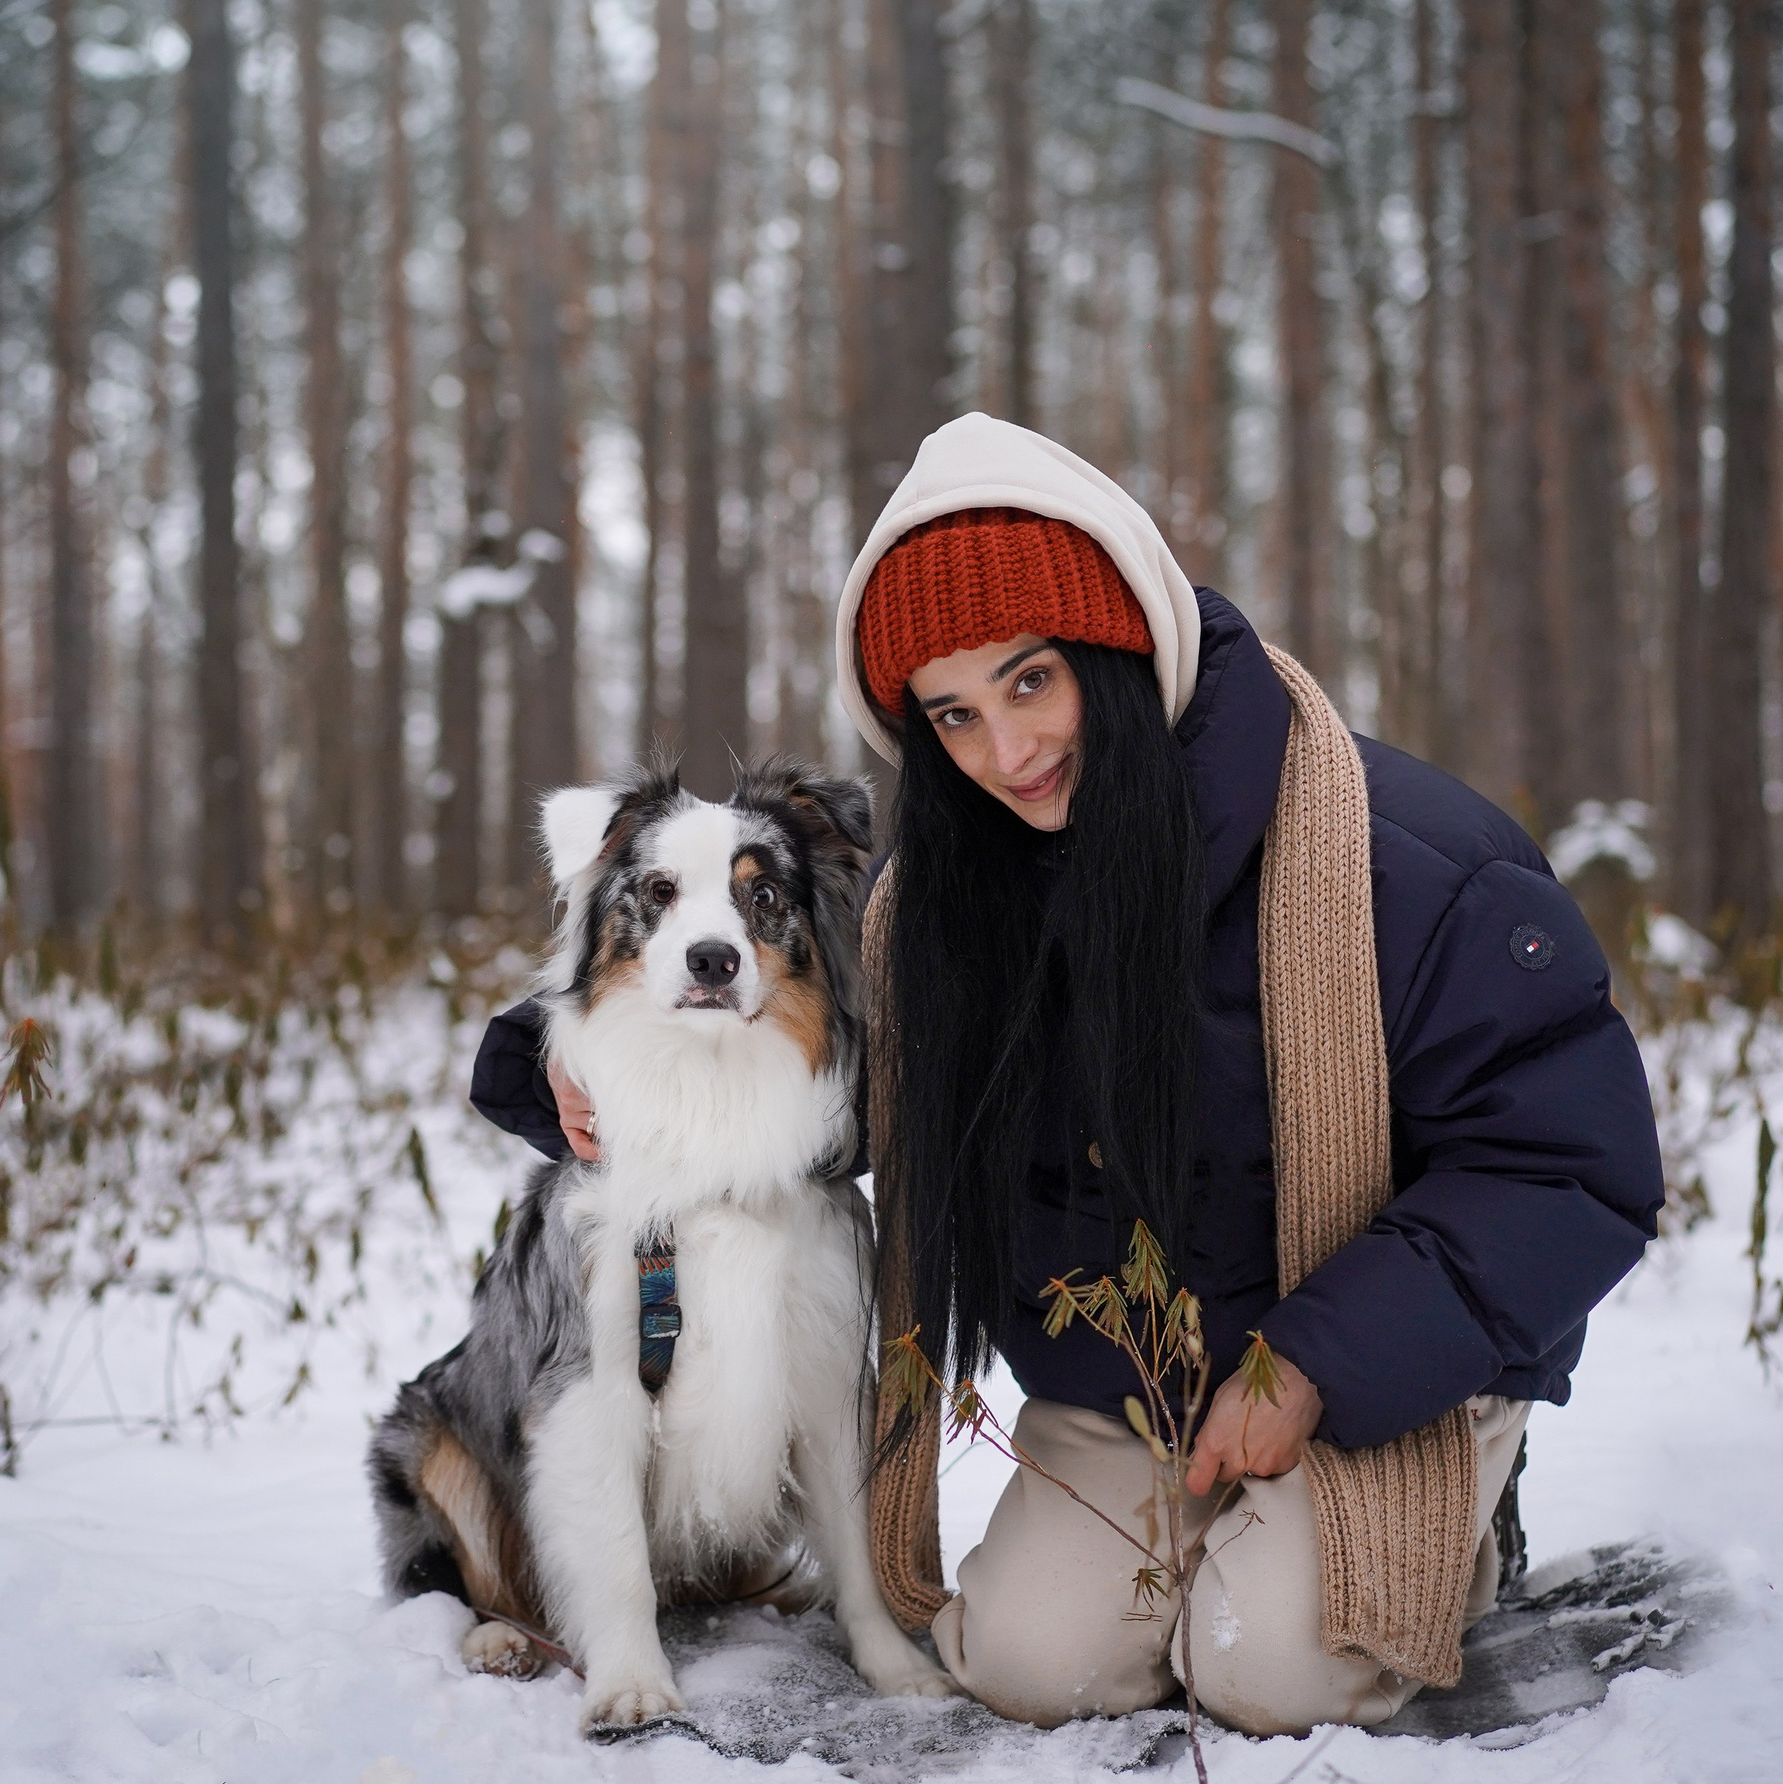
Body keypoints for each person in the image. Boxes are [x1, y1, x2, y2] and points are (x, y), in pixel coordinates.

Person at [470, 413, 1665, 1736]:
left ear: (1121, 643)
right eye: (954, 714)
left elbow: (1568, 1168)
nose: (1008, 752)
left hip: (1369, 1374)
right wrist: (555, 1063)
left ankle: (1450, 1514)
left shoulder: (1404, 859)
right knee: (1034, 1666)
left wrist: (1317, 1363)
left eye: (1032, 681)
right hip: (1130, 1389)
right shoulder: (951, 898)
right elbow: (822, 1093)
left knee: (1268, 1673)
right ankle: (1230, 1552)